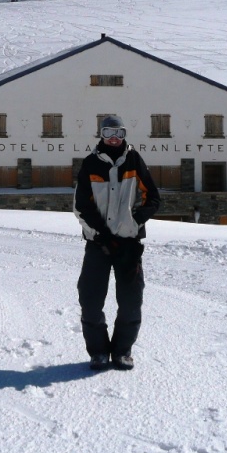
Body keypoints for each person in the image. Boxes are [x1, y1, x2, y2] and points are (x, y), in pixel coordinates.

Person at [73, 115, 161, 370]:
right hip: (98, 244)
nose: (114, 138)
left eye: (119, 133)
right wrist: (99, 234)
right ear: (100, 134)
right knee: (90, 300)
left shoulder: (134, 160)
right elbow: (81, 206)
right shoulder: (90, 163)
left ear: (124, 134)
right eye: (108, 132)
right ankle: (98, 351)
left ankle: (122, 351)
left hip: (128, 244)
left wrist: (134, 223)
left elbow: (152, 198)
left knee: (131, 301)